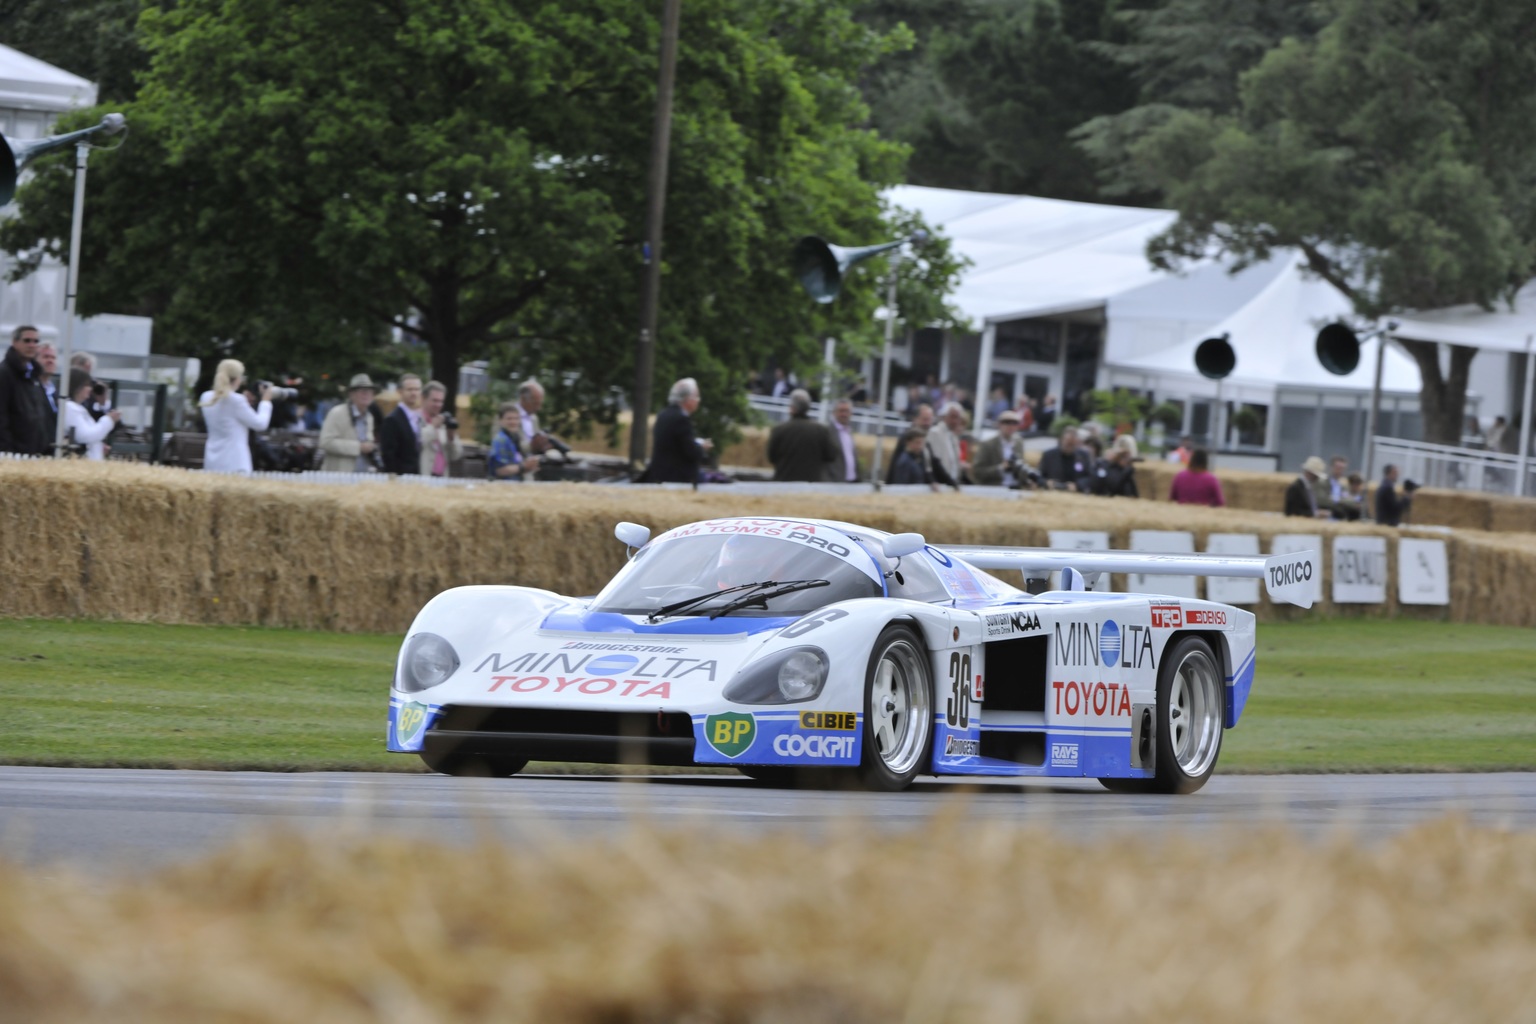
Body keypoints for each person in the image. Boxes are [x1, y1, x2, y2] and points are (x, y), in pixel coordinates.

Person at [199, 359, 273, 473]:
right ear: (237, 379)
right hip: (235, 463)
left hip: (212, 461)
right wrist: (265, 402)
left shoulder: (205, 397)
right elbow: (260, 424)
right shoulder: (237, 400)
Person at [640, 377, 712, 483]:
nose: (698, 400)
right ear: (688, 399)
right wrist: (702, 448)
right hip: (675, 476)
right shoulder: (681, 420)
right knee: (706, 480)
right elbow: (691, 453)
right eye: (697, 396)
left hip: (657, 473)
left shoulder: (663, 414)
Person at [0, 325, 50, 455]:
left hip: (34, 453)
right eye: (27, 340)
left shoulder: (35, 374)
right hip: (12, 454)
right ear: (15, 342)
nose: (32, 345)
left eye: (35, 341)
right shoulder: (4, 373)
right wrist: (7, 450)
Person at [767, 388, 836, 482]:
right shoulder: (821, 431)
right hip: (812, 485)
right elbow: (831, 456)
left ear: (792, 408)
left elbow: (771, 458)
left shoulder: (779, 430)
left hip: (783, 483)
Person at [319, 373, 380, 473]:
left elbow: (368, 442)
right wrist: (358, 447)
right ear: (351, 394)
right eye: (362, 391)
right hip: (338, 477)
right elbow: (326, 442)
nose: (366, 394)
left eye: (369, 391)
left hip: (363, 476)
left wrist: (370, 446)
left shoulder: (369, 417)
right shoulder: (337, 413)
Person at [62, 368, 119, 460]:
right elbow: (85, 436)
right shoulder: (70, 407)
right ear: (77, 386)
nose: (90, 389)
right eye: (87, 385)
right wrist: (108, 420)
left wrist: (98, 447)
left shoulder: (77, 407)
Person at [971, 408, 1029, 488]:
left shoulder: (1019, 443)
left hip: (1015, 487)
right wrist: (1000, 468)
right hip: (995, 488)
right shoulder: (987, 444)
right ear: (999, 424)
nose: (1011, 426)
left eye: (1015, 423)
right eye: (1007, 422)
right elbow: (977, 472)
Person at [379, 373, 423, 475]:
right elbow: (388, 455)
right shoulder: (392, 420)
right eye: (410, 389)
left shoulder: (420, 417)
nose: (414, 393)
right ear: (400, 392)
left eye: (417, 389)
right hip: (401, 478)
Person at [418, 380, 462, 477]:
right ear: (423, 399)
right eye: (435, 400)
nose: (438, 405)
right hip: (423, 476)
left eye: (441, 401)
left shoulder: (444, 422)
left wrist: (451, 438)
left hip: (442, 476)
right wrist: (432, 427)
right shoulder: (416, 419)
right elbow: (417, 444)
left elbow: (455, 455)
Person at [487, 401, 539, 482]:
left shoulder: (514, 438)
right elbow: (499, 470)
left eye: (516, 418)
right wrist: (524, 467)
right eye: (509, 419)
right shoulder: (501, 440)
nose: (513, 422)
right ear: (501, 421)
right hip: (501, 487)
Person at [927, 402, 971, 485]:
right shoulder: (934, 433)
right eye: (952, 417)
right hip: (940, 483)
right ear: (944, 417)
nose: (955, 421)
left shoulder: (954, 437)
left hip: (953, 483)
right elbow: (933, 462)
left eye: (958, 418)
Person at [1037, 425, 1091, 492]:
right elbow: (1038, 475)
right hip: (1053, 492)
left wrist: (1078, 485)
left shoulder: (1083, 456)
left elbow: (1090, 477)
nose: (1069, 447)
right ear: (1062, 440)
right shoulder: (1049, 455)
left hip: (1076, 493)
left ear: (1076, 443)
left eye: (1072, 444)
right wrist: (1046, 482)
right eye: (1067, 443)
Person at [826, 398, 863, 483]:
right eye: (841, 411)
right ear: (834, 413)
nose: (844, 414)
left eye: (847, 411)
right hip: (835, 483)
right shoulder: (828, 432)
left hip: (853, 482)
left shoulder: (849, 432)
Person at [1324, 454, 1361, 520]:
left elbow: (1350, 502)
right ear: (1331, 467)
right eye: (1337, 468)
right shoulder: (1323, 482)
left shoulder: (1344, 485)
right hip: (1326, 515)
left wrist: (1337, 499)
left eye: (1342, 468)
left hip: (1340, 516)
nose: (1340, 470)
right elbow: (1323, 500)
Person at [36, 342, 59, 445]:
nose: (50, 361)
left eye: (53, 358)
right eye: (45, 357)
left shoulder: (56, 393)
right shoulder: (30, 388)